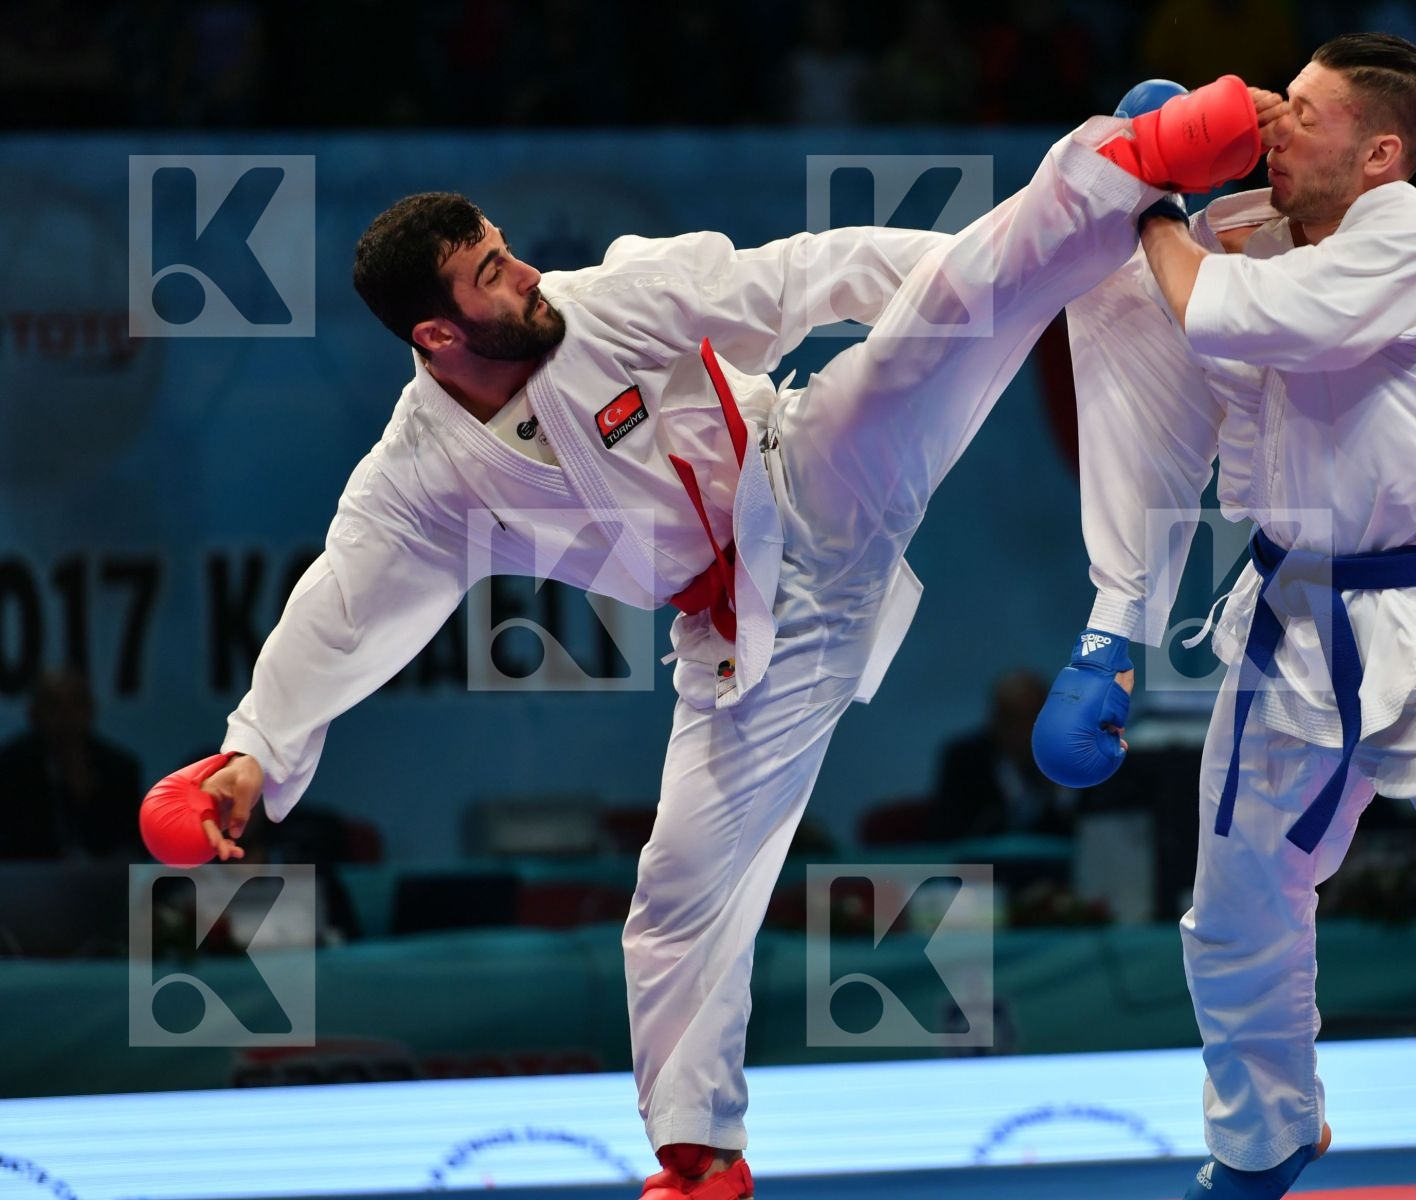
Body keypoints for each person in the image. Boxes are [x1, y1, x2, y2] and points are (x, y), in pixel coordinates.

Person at [169, 85, 1270, 1200]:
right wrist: (247, 754)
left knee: (907, 361)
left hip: (810, 480)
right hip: (744, 637)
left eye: (506, 249)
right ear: (439, 336)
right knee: (680, 883)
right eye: (492, 274)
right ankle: (701, 1154)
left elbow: (810, 275)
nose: (526, 274)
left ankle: (1136, 152)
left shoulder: (610, 301)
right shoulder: (422, 479)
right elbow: (342, 604)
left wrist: (1036, 270)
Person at [1032, 35, 1416, 1200]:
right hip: (1286, 622)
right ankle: (1263, 1142)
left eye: (1302, 111)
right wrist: (1113, 622)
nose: (1270, 119)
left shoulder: (1413, 242)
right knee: (1234, 912)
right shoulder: (1249, 230)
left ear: (1380, 153)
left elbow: (1225, 316)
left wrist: (1152, 198)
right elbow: (1148, 371)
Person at [0, 670, 143, 860]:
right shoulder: (10, 768)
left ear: (90, 710)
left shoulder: (118, 769)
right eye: (54, 706)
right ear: (34, 713)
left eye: (76, 705)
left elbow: (130, 844)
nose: (66, 717)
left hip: (104, 884)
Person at [931, 669, 1075, 840]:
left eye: (1031, 717)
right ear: (994, 720)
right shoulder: (965, 761)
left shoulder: (1081, 754)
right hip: (987, 864)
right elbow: (948, 832)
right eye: (1010, 720)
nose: (1021, 731)